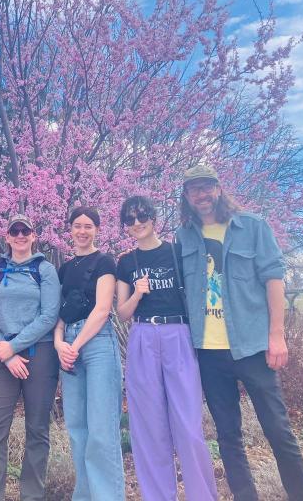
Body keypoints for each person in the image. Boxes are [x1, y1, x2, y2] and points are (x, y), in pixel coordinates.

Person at [176, 164, 303, 501]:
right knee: (228, 435)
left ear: (219, 188)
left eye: (206, 186)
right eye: (194, 189)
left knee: (278, 431)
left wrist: (277, 336)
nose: (201, 194)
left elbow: (274, 279)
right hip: (208, 351)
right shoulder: (183, 236)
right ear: (186, 196)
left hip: (252, 346)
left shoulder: (252, 227)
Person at [115, 196, 216, 501]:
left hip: (178, 335)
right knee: (149, 429)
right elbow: (122, 312)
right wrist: (137, 294)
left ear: (153, 217)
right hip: (143, 336)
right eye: (129, 219)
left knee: (188, 425)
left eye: (142, 215)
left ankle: (202, 496)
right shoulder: (126, 262)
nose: (136, 223)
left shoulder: (176, 252)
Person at [0, 214, 60, 501]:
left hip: (40, 356)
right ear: (8, 236)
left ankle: (32, 495)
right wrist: (5, 349)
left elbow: (49, 315)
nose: (20, 235)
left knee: (37, 430)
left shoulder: (45, 269)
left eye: (25, 230)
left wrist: (15, 347)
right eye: (15, 231)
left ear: (33, 235)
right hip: (2, 357)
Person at [54, 206, 124, 501]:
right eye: (77, 226)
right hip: (68, 344)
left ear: (97, 229)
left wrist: (76, 344)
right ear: (70, 229)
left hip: (96, 344)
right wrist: (60, 343)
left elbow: (103, 309)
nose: (82, 231)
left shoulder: (105, 261)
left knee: (101, 430)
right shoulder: (65, 268)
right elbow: (59, 313)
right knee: (77, 428)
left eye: (88, 226)